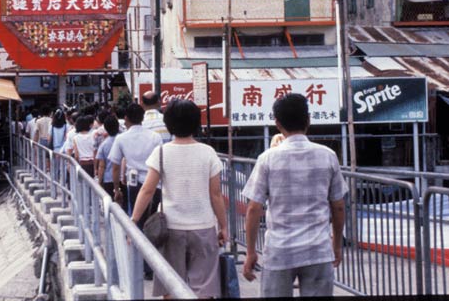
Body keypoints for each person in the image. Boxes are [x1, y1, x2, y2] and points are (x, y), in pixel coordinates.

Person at [242, 93, 348, 298]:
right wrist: (336, 246)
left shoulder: (267, 159)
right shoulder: (328, 155)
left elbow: (254, 209)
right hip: (318, 250)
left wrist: (250, 252)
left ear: (277, 123)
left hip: (280, 251)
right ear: (308, 120)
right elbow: (338, 206)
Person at [131, 98, 228, 298]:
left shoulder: (161, 153)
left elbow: (147, 191)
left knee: (170, 285)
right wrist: (224, 225)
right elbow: (216, 195)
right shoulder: (208, 153)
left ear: (169, 124)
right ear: (196, 123)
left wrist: (133, 220)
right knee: (203, 289)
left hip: (171, 228)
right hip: (203, 226)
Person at [108, 103, 162, 222]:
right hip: (154, 183)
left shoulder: (121, 138)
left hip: (134, 184)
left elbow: (115, 166)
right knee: (153, 220)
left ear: (126, 118)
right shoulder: (155, 137)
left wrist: (116, 189)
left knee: (136, 219)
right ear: (142, 118)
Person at [95, 115, 121, 202]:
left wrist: (99, 181)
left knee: (110, 205)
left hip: (108, 179)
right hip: (123, 178)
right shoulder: (123, 140)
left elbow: (102, 166)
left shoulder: (104, 145)